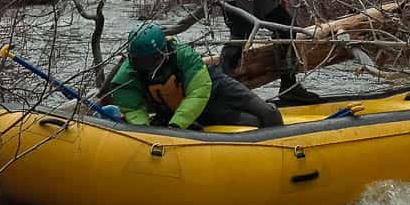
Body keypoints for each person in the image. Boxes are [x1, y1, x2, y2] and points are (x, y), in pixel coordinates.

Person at [102, 24, 283, 129]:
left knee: (268, 113)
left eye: (149, 61)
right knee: (253, 124)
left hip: (214, 89)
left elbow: (199, 90)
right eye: (140, 62)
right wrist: (149, 133)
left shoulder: (183, 55)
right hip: (196, 112)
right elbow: (133, 110)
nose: (146, 67)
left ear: (162, 52)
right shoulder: (127, 75)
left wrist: (176, 125)